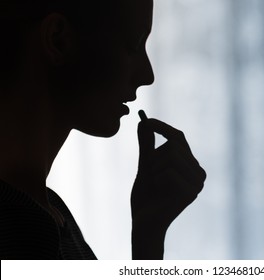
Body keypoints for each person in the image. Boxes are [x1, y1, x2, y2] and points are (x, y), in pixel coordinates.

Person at [0, 0, 206, 260]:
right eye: (133, 45)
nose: (147, 75)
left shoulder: (52, 215)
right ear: (58, 39)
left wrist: (149, 233)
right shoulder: (20, 226)